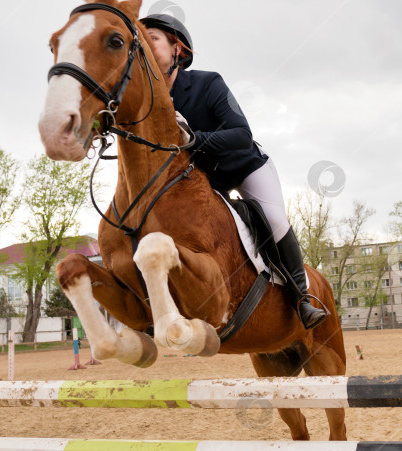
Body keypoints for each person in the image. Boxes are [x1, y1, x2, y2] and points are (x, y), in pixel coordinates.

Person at [140, 14, 327, 330]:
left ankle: (302, 298)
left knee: (274, 219)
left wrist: (195, 139)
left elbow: (241, 132)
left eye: (152, 37)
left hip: (246, 167)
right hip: (206, 181)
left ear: (177, 48)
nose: (143, 43)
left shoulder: (207, 83)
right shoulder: (147, 99)